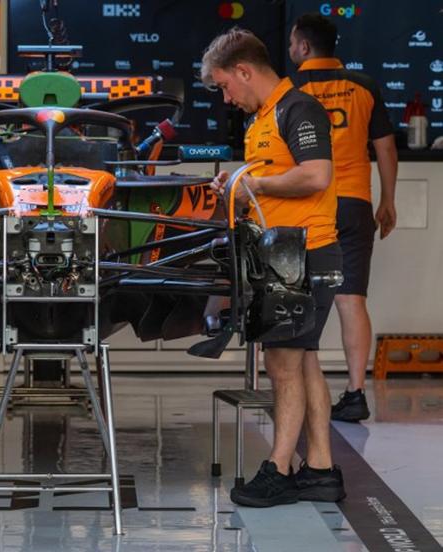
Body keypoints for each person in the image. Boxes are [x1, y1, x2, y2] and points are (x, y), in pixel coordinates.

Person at [201, 28, 345, 507]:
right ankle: (320, 470)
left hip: (306, 254)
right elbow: (271, 181)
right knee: (303, 362)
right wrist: (241, 186)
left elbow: (316, 175)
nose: (226, 98)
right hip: (284, 255)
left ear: (244, 71)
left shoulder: (298, 109)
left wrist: (256, 185)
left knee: (281, 364)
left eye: (225, 86)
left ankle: (278, 469)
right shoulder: (261, 120)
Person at [289, 13, 398, 423]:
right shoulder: (364, 86)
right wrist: (388, 201)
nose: (291, 50)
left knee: (299, 296)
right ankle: (355, 393)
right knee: (352, 300)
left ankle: (301, 386)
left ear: (303, 47)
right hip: (355, 203)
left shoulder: (291, 90)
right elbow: (385, 148)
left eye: (292, 43)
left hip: (309, 203)